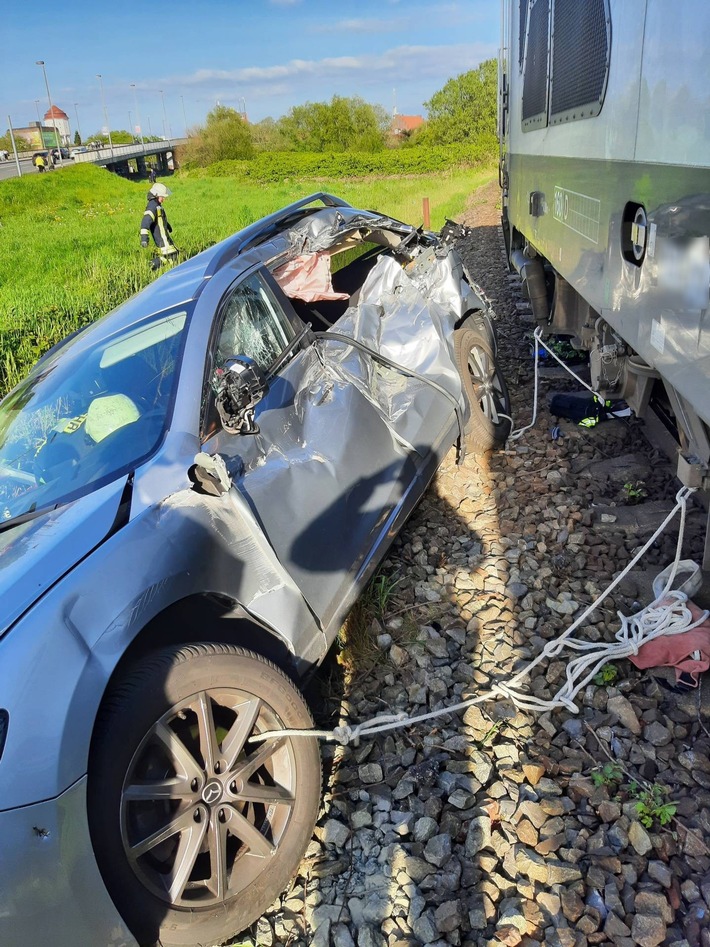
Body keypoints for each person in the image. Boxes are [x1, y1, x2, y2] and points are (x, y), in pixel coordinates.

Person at [139, 182, 177, 270]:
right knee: (173, 256)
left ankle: (153, 265)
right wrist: (144, 238)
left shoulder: (157, 206)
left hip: (164, 236)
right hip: (162, 238)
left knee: (173, 256)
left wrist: (167, 225)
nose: (163, 199)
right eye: (162, 197)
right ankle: (151, 265)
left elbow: (160, 219)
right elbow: (145, 222)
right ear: (156, 195)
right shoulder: (152, 206)